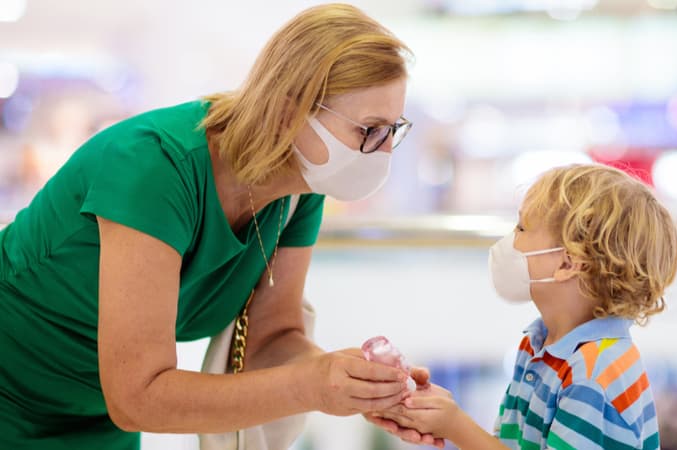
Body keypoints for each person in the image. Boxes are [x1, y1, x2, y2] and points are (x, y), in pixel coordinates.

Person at [0, 3, 437, 449]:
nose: (383, 151)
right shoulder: (156, 167)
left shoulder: (298, 193)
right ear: (290, 113)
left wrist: (354, 383)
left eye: (392, 130)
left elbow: (273, 338)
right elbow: (138, 395)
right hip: (10, 390)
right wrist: (312, 386)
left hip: (97, 413)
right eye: (369, 130)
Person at [376, 164, 677, 449]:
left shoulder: (594, 376)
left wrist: (454, 424)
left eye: (521, 229)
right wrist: (440, 413)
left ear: (567, 262)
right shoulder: (538, 345)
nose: (509, 241)